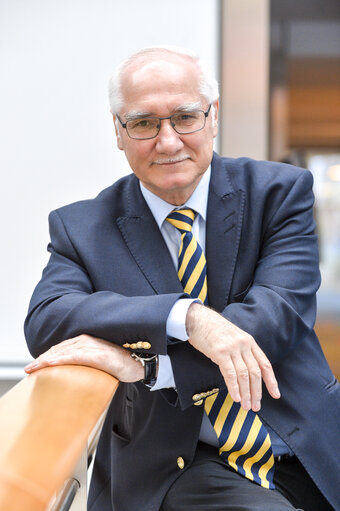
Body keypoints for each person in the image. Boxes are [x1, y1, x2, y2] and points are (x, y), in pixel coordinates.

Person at [24, 46, 340, 511]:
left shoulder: (279, 192)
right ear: (118, 132)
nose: (168, 141)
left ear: (214, 117)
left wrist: (152, 368)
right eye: (144, 123)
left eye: (185, 117)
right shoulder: (82, 227)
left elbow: (278, 317)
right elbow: (47, 319)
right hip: (178, 460)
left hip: (303, 438)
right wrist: (185, 317)